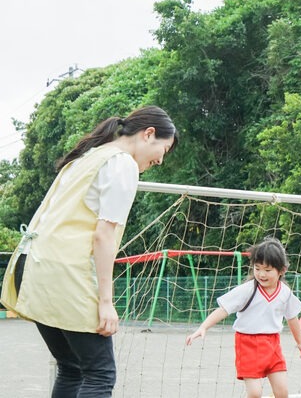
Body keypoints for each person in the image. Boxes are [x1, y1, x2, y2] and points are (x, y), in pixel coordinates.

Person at [0, 105, 178, 397]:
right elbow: (103, 237)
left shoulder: (88, 156)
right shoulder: (122, 163)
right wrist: (106, 302)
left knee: (71, 367)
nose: (161, 159)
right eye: (165, 149)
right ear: (149, 134)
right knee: (100, 374)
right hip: (65, 272)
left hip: (33, 265)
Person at [186, 238, 301, 398]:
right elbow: (224, 309)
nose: (261, 274)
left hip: (272, 344)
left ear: (282, 270)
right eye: (257, 268)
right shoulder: (248, 289)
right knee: (255, 393)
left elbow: (292, 318)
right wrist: (203, 327)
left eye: (267, 270)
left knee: (282, 392)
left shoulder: (285, 292)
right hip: (247, 344)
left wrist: (300, 342)